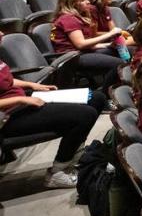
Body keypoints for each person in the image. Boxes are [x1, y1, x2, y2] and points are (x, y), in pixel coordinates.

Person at [0, 32, 99, 188]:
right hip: (7, 117)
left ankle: (74, 156)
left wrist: (31, 85)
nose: (2, 33)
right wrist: (21, 99)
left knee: (95, 98)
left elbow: (7, 81)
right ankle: (57, 172)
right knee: (85, 115)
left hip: (23, 103)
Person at [51, 0, 125, 90]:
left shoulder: (77, 17)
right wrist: (110, 34)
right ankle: (107, 93)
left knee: (125, 50)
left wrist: (108, 45)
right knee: (119, 65)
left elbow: (86, 44)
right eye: (83, 0)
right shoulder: (68, 19)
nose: (88, 2)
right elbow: (80, 44)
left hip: (83, 52)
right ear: (72, 3)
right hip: (72, 57)